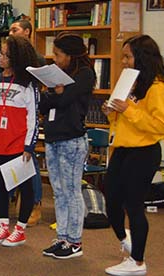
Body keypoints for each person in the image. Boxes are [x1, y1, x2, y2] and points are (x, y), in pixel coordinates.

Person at [101, 34, 164, 276]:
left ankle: (138, 262)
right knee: (112, 204)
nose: (124, 61)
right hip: (122, 149)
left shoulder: (157, 87)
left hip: (144, 152)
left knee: (134, 205)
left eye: (128, 56)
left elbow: (159, 125)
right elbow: (120, 119)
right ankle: (127, 240)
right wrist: (111, 111)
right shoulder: (130, 81)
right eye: (123, 56)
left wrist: (129, 110)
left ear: (142, 57)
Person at [39, 32, 94, 258]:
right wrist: (55, 93)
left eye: (58, 54)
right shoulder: (58, 75)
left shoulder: (85, 74)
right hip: (53, 137)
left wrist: (57, 94)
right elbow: (45, 103)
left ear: (70, 55)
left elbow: (65, 100)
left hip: (72, 139)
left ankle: (75, 241)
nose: (55, 58)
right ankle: (62, 237)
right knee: (59, 192)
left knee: (72, 191)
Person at [0, 36, 39, 247]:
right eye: (0, 53)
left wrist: (28, 145)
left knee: (25, 188)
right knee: (1, 186)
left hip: (18, 144)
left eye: (5, 54)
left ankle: (20, 229)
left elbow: (33, 116)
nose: (1, 57)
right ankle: (3, 226)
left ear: (16, 57)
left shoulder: (27, 83)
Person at [6, 19, 47, 225]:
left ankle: (35, 204)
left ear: (27, 32)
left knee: (28, 159)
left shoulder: (35, 58)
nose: (11, 32)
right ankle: (13, 202)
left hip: (28, 115)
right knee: (11, 161)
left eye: (15, 29)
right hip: (12, 117)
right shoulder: (11, 58)